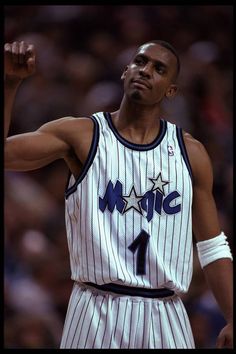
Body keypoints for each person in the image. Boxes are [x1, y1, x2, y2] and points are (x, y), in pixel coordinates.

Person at [4, 39, 233, 349]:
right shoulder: (81, 135)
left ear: (171, 90)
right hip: (94, 307)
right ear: (125, 72)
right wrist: (10, 84)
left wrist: (232, 315)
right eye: (140, 62)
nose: (145, 70)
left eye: (159, 68)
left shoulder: (189, 153)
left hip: (164, 311)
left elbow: (212, 246)